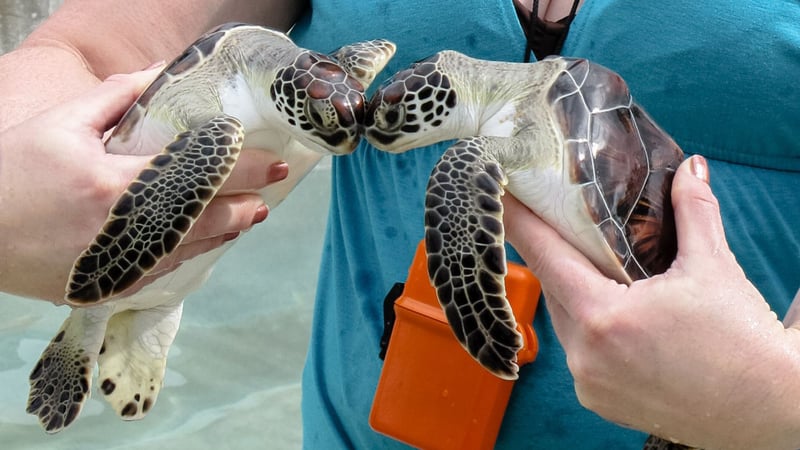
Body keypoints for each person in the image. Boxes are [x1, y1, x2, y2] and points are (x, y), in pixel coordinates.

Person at [0, 0, 797, 448]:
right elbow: (88, 45)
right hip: (359, 431)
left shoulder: (473, 155)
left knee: (462, 176)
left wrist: (772, 406)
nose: (374, 127)